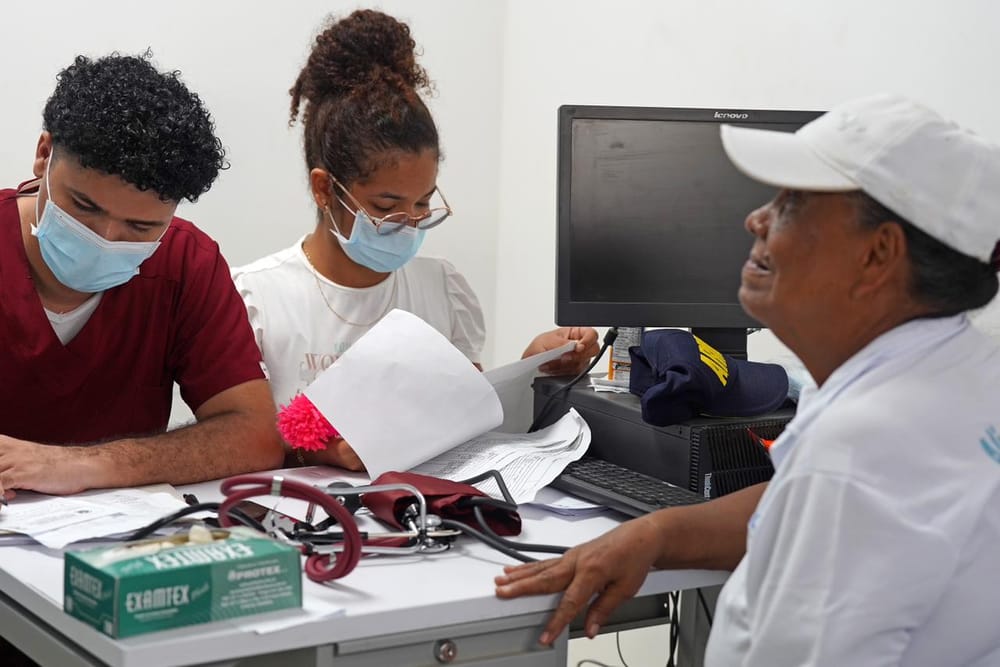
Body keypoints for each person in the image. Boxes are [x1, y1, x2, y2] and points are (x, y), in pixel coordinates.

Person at [494, 93, 1000, 666]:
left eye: (793, 204)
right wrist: (657, 534)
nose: (756, 218)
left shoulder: (860, 447)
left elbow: (839, 494)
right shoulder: (962, 373)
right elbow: (799, 506)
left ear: (877, 255)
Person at [233, 9, 599, 471]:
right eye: (385, 207)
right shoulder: (257, 299)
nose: (407, 224)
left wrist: (533, 368)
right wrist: (316, 448)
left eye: (423, 204)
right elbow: (241, 438)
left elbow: (467, 419)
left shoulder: (441, 290)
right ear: (325, 189)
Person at [0, 53, 285, 499]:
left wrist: (79, 465)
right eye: (84, 207)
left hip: (120, 542)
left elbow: (254, 435)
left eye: (140, 228)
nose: (105, 239)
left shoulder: (186, 263)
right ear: (43, 156)